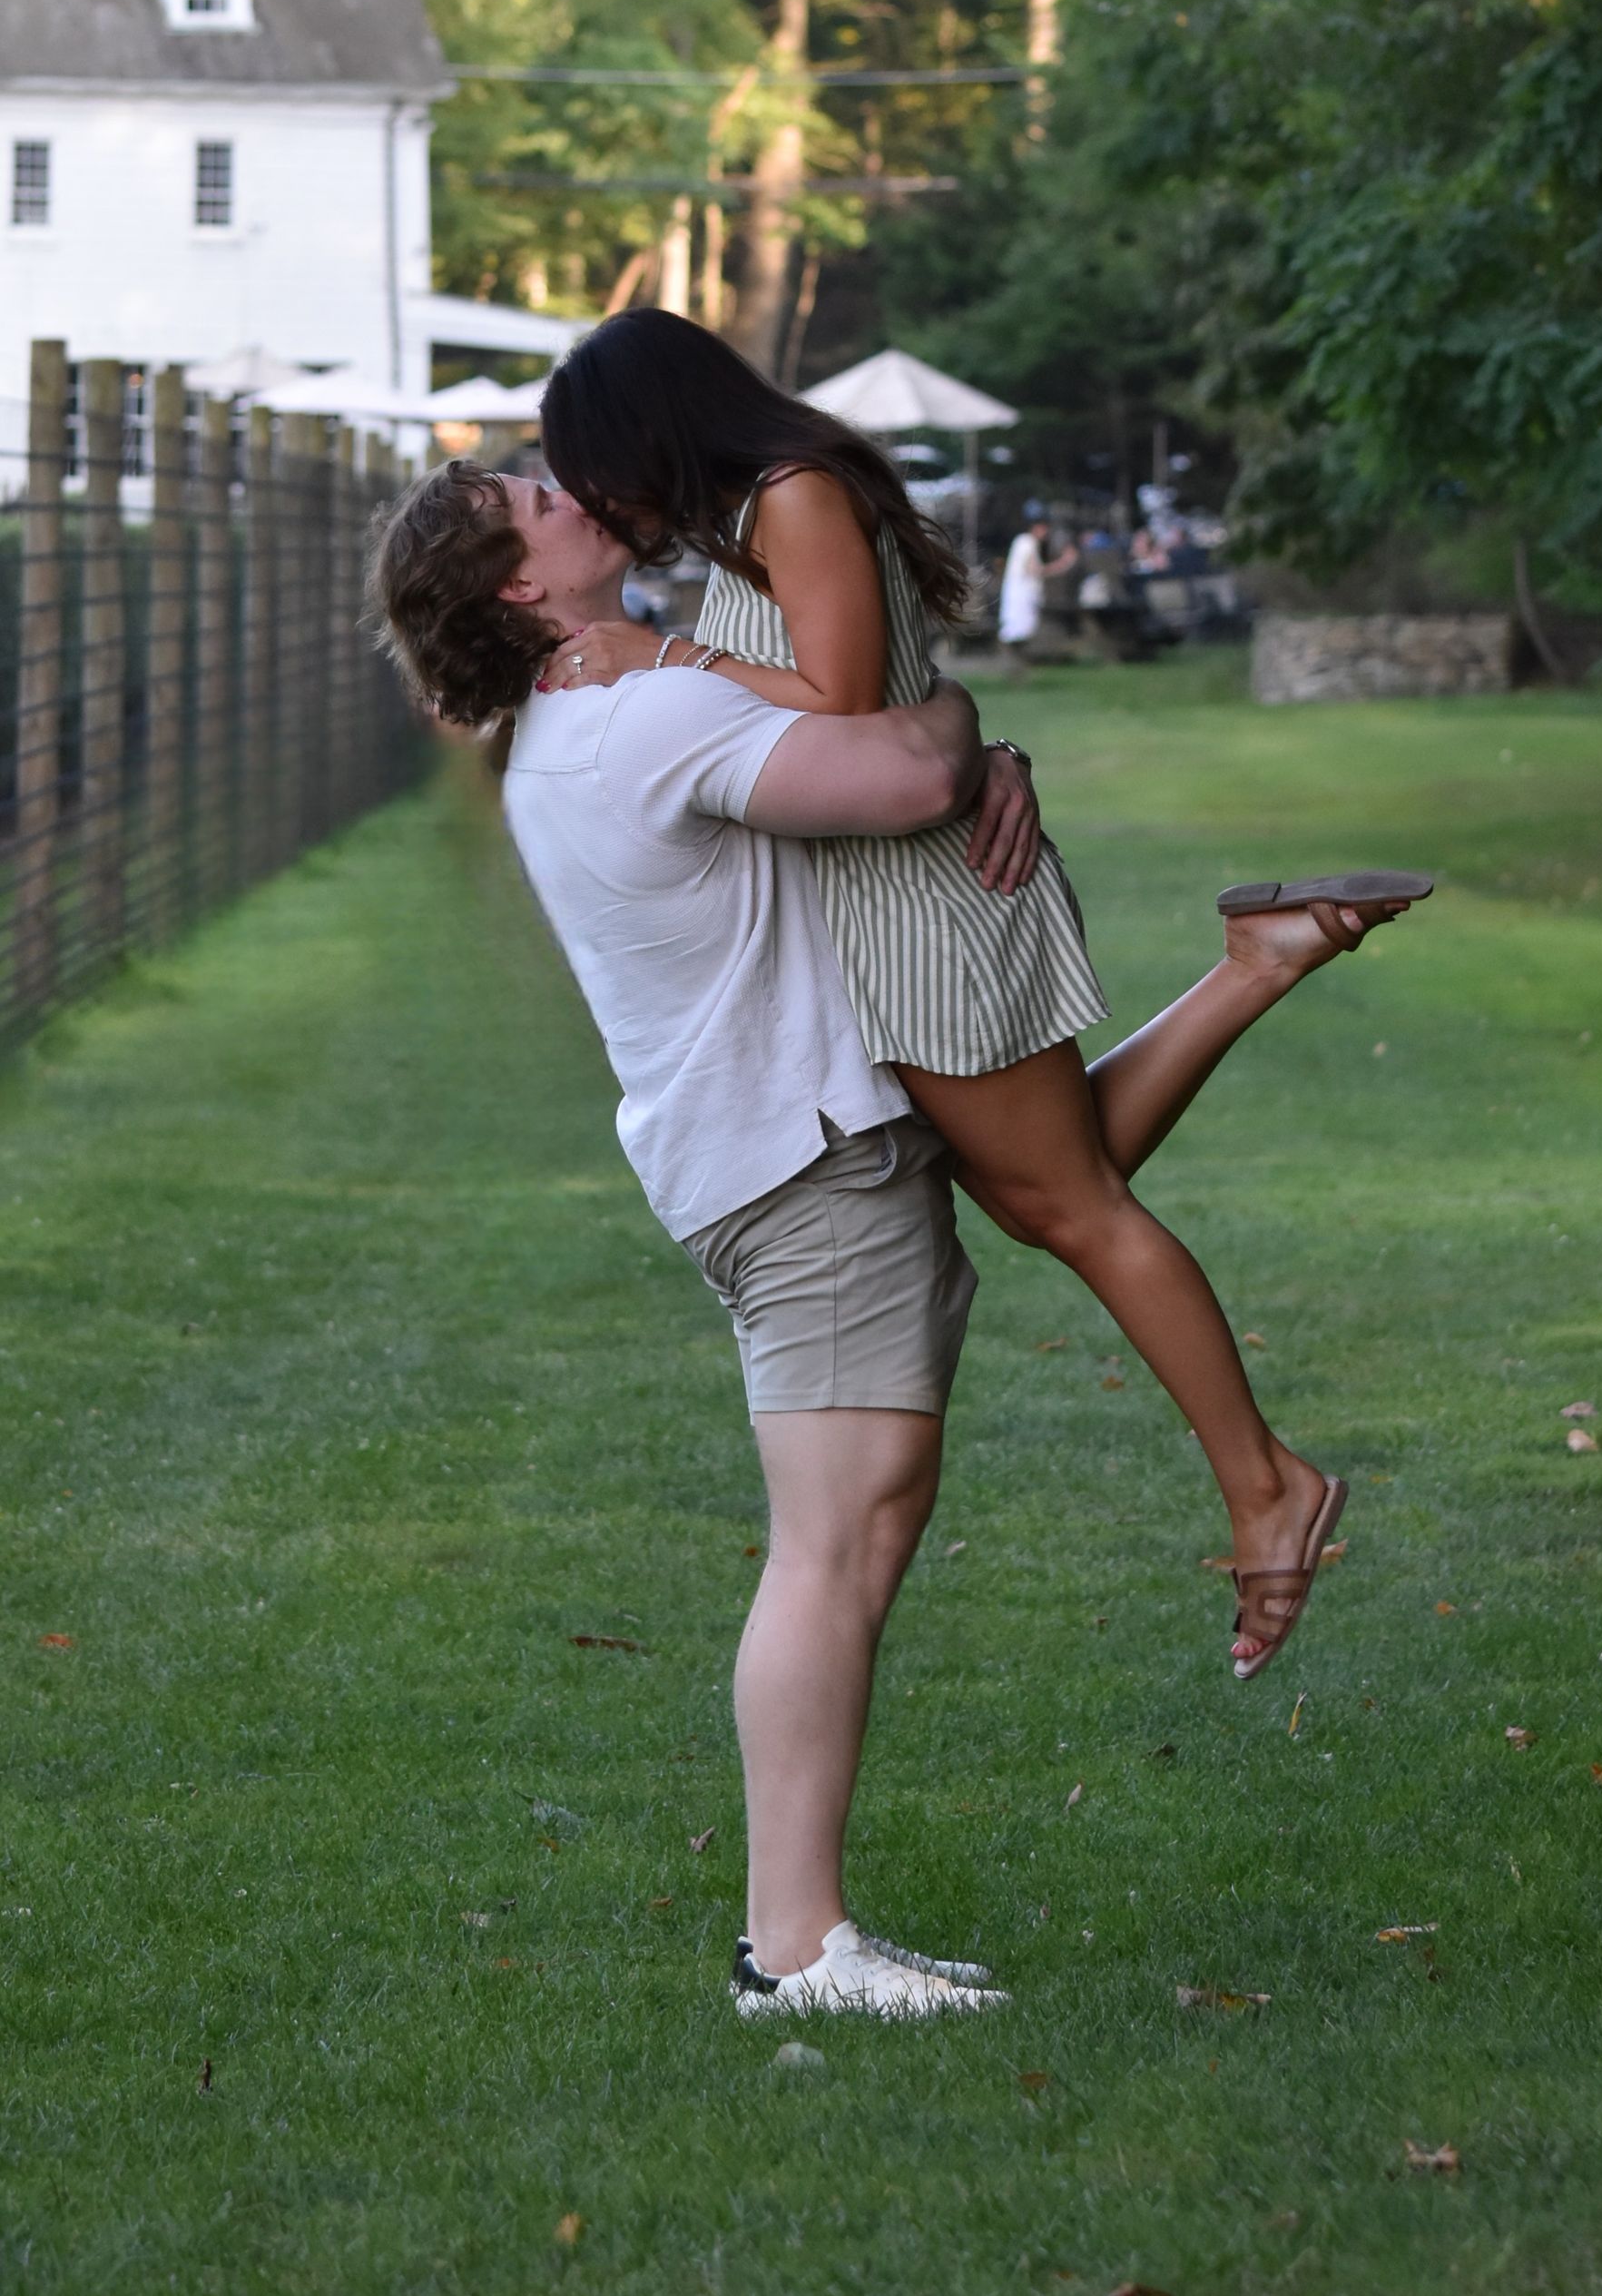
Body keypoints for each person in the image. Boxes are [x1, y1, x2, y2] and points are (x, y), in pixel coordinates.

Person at [366, 460, 1425, 2019]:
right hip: (800, 1166)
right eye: (531, 496)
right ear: (520, 585)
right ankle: (793, 1949)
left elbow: (873, 770)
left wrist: (948, 745)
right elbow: (910, 763)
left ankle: (1253, 966)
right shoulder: (636, 713)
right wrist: (971, 738)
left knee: (1045, 1188)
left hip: (788, 1144)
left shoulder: (582, 723)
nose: (567, 486)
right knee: (835, 1546)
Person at [530, 310, 1430, 1676]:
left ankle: (1267, 1484)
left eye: (597, 468)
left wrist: (665, 657)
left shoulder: (796, 493)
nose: (602, 502)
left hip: (921, 906)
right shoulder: (762, 513)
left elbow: (840, 700)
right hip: (887, 900)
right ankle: (1261, 960)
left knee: (1071, 1202)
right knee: (1045, 1185)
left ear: (654, 425)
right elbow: (866, 694)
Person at [998, 508, 1076, 678]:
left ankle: (1018, 671)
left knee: (1019, 634)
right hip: (1021, 597)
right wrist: (1064, 563)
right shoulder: (1027, 542)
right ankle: (1015, 670)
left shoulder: (1023, 542)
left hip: (1021, 595)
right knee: (1017, 634)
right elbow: (1034, 570)